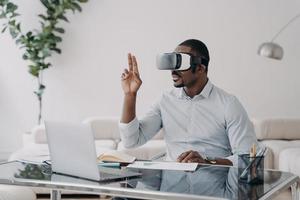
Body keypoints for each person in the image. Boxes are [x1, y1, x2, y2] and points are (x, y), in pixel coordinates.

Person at [119, 39, 260, 166]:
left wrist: (207, 161)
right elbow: (131, 141)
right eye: (172, 62)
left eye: (180, 63)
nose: (173, 71)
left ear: (200, 68)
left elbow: (247, 158)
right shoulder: (165, 100)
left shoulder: (228, 104)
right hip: (172, 186)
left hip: (213, 185)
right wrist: (130, 95)